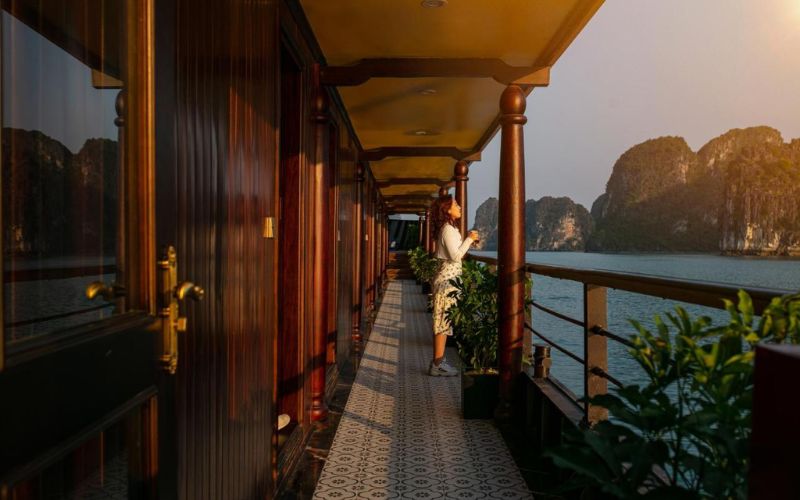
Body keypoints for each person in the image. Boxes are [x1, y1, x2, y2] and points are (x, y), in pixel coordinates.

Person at [428, 195, 479, 376]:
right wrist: (469, 239)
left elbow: (455, 252)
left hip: (447, 281)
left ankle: (438, 362)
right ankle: (437, 365)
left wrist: (468, 241)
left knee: (443, 323)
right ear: (447, 209)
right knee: (442, 324)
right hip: (446, 283)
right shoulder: (448, 229)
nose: (460, 207)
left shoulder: (449, 228)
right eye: (456, 204)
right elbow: (455, 256)